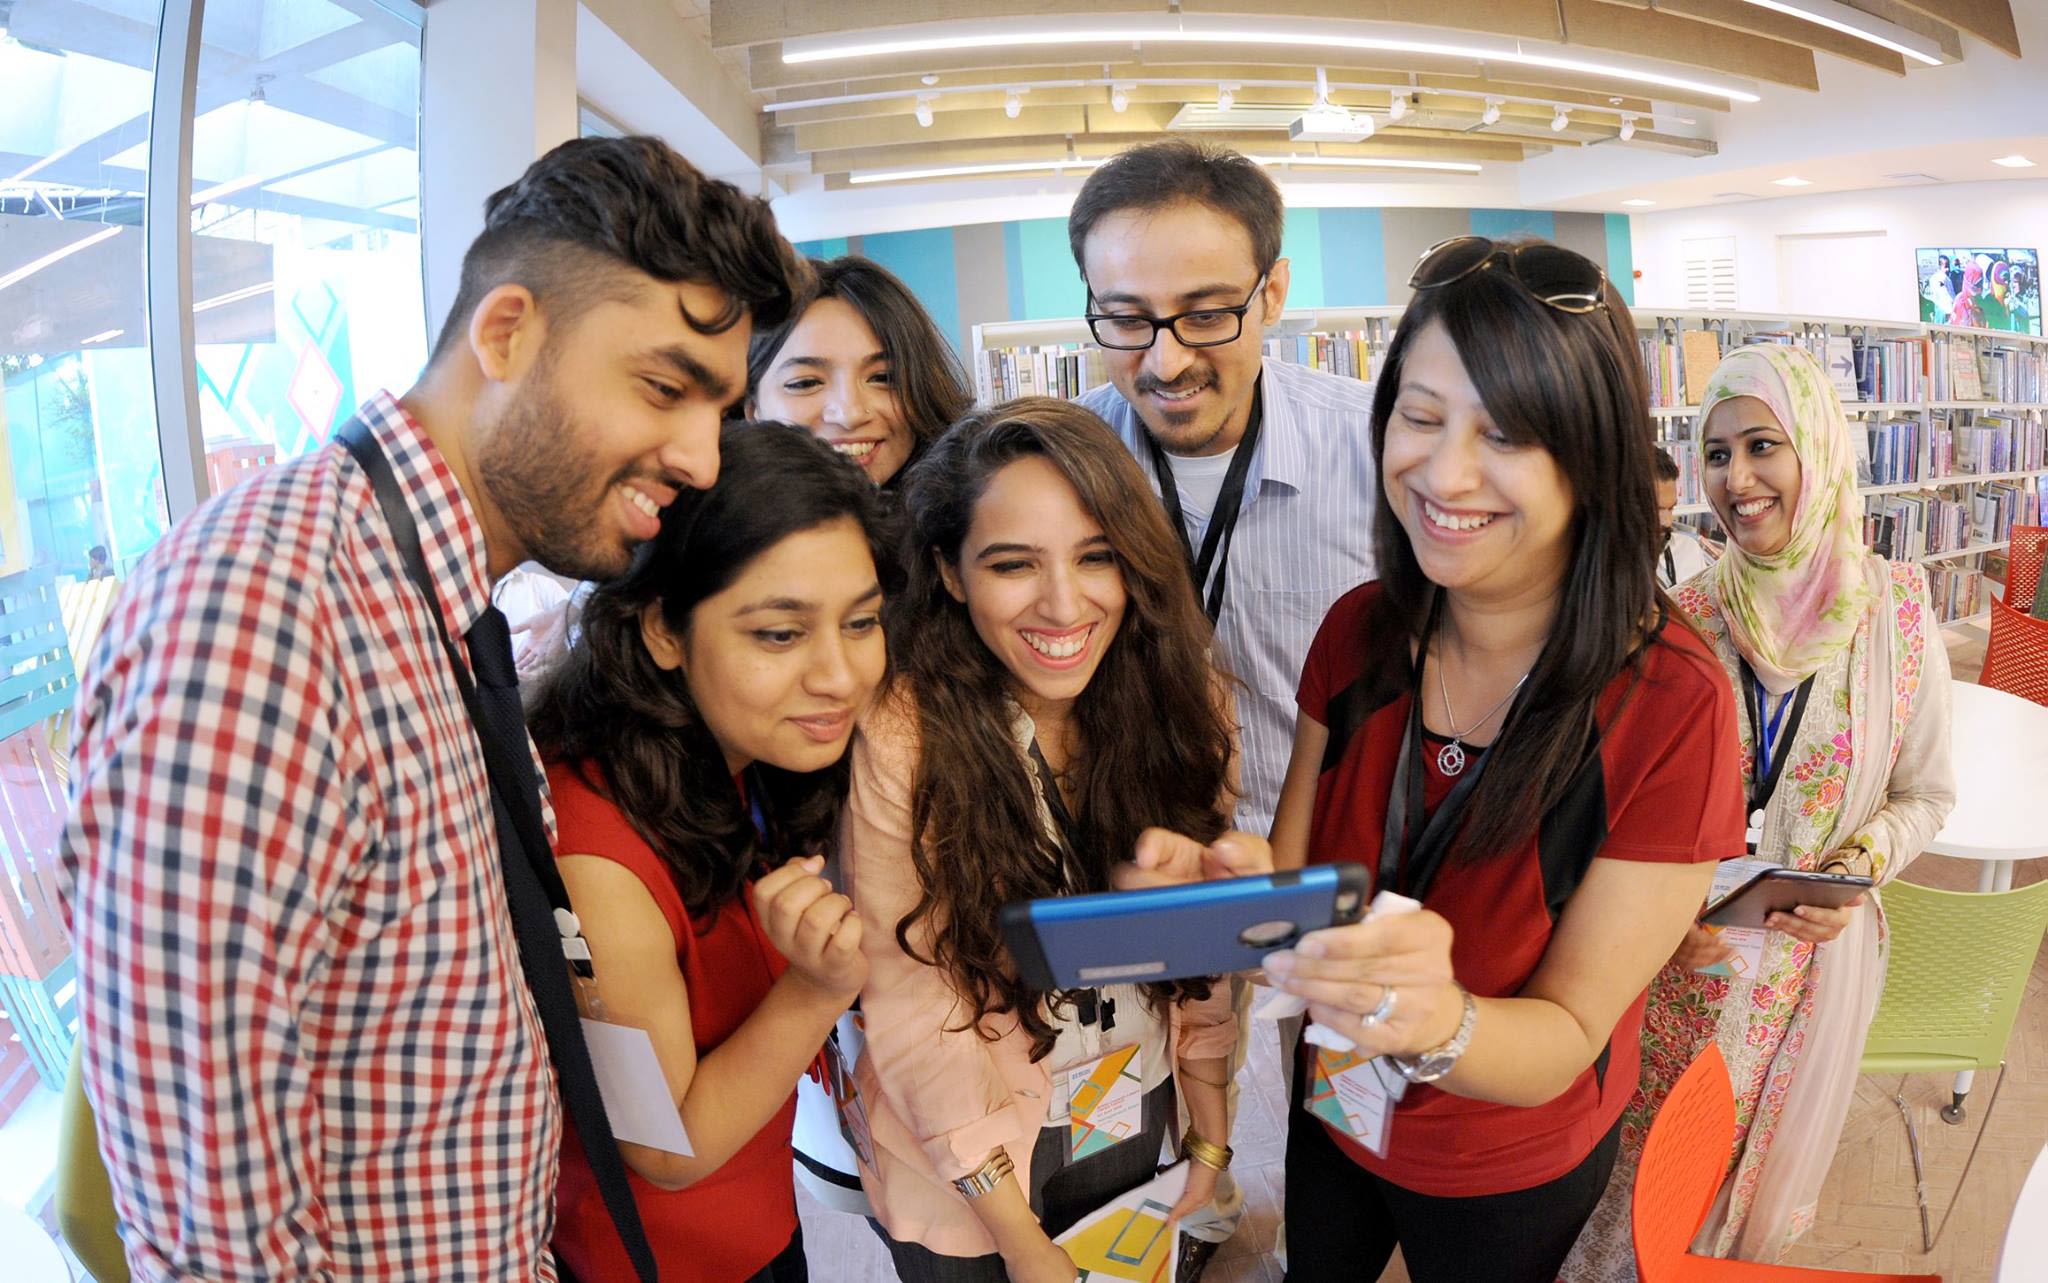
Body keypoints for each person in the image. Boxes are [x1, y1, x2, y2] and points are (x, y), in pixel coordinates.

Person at [56, 135, 807, 1282]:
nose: (703, 458)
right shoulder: (267, 614)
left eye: (720, 407)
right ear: (505, 332)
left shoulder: (430, 602)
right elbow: (215, 1234)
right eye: (663, 387)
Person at [1256, 237, 1746, 1283]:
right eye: (1419, 416)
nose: (1442, 473)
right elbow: (1295, 884)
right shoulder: (1358, 632)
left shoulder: (1671, 705)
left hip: (1502, 1151)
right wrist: (1217, 899)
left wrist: (1438, 1021)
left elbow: (1567, 1029)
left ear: (1592, 452)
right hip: (1335, 1093)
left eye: (1507, 433)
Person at [1566, 344, 1956, 1277]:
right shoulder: (1676, 619)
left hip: (1806, 978)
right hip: (1672, 973)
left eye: (1762, 446)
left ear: (1816, 449)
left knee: (1746, 1194)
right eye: (1715, 452)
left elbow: (1928, 794)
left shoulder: (1899, 613)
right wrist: (1660, 918)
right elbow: (1611, 806)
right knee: (1636, 1195)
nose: (1735, 480)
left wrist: (1861, 864)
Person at [845, 398, 1240, 1282]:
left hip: (1136, 1111)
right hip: (969, 1166)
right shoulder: (905, 735)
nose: (1065, 603)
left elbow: (1203, 937)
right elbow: (910, 1001)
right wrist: (1020, 1241)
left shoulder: (1183, 705)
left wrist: (1209, 1129)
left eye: (1097, 556)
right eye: (1014, 564)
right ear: (949, 571)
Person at [527, 423, 887, 1282]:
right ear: (661, 630)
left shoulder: (742, 760)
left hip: (758, 1221)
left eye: (863, 619)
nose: (839, 674)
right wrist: (820, 986)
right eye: (778, 634)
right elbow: (665, 1144)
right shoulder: (596, 857)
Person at [1069, 138, 1378, 841]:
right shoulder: (1054, 466)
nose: (1166, 362)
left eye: (1206, 316)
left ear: (1271, 294)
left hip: (1329, 873)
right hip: (1130, 874)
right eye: (1125, 320)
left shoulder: (1379, 449)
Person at [747, 255, 972, 493]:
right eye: (806, 383)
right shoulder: (717, 526)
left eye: (883, 378)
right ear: (753, 410)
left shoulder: (972, 519)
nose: (850, 415)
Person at [1654, 448, 1718, 589]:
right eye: (1655, 510)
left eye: (1671, 508)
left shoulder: (1688, 550)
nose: (1667, 521)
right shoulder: (1604, 568)